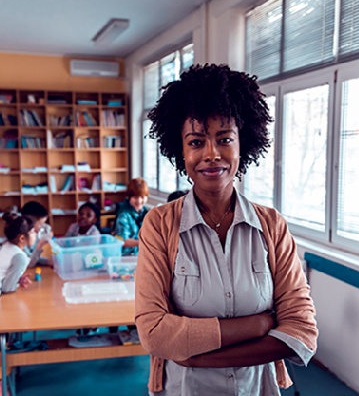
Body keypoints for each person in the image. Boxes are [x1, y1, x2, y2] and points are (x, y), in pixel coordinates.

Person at [135, 64, 318, 396]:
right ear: (181, 151)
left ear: (241, 144)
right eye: (196, 142)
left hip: (257, 388)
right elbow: (155, 333)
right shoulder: (159, 225)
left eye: (224, 139)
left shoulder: (272, 226)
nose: (211, 154)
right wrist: (260, 324)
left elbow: (302, 331)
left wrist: (197, 357)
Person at [0, 213, 35, 317]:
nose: (36, 235)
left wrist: (16, 279)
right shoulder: (20, 257)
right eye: (33, 232)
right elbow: (7, 288)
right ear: (21, 238)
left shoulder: (2, 247)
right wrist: (15, 283)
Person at [115, 178, 149, 255]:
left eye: (142, 197)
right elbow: (123, 241)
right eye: (135, 197)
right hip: (128, 256)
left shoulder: (145, 212)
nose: (139, 201)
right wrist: (145, 243)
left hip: (141, 254)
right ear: (129, 197)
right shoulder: (123, 215)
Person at [21, 201, 53, 268]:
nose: (43, 226)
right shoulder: (20, 239)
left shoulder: (34, 235)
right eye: (41, 223)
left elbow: (32, 256)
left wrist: (47, 261)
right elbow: (29, 264)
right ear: (30, 223)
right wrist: (40, 245)